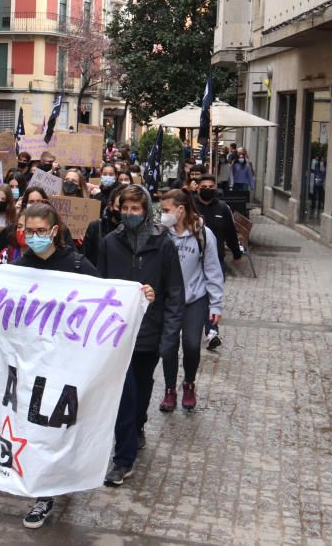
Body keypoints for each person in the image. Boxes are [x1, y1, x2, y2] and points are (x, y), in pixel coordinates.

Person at [17, 203, 154, 529]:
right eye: (28, 231)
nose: (33, 237)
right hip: (34, 365)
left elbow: (108, 301)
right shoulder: (18, 268)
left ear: (54, 231)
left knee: (64, 427)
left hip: (70, 364)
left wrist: (139, 295)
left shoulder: (78, 266)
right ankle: (44, 494)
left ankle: (62, 477)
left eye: (39, 231)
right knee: (40, 428)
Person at [99, 184, 184, 486]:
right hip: (118, 335)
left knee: (142, 391)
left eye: (135, 208)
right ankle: (123, 460)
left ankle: (137, 428)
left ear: (146, 210)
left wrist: (169, 338)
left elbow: (175, 293)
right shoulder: (110, 242)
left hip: (150, 334)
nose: (130, 213)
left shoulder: (163, 244)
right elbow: (102, 288)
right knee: (126, 394)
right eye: (125, 208)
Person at [157, 189, 224, 412]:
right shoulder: (161, 234)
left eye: (166, 210)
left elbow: (213, 270)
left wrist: (215, 304)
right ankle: (169, 390)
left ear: (181, 209)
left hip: (195, 299)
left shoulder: (202, 234)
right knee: (168, 348)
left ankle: (188, 383)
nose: (162, 215)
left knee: (192, 345)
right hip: (168, 301)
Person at [193, 174, 242, 350]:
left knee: (211, 293)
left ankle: (211, 330)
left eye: (211, 186)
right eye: (204, 186)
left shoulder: (222, 208)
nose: (208, 189)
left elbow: (230, 233)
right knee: (201, 295)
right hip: (195, 261)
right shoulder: (191, 208)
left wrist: (236, 253)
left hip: (216, 261)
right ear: (198, 188)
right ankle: (200, 327)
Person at [83, 184, 125, 266]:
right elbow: (87, 258)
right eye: (118, 207)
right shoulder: (96, 227)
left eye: (125, 208)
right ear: (110, 205)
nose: (122, 211)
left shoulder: (132, 230)